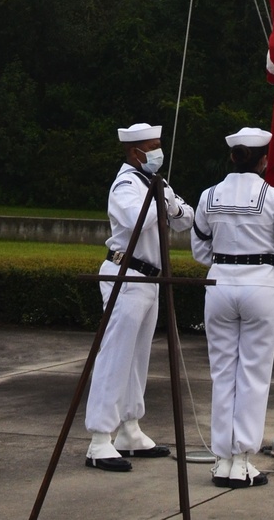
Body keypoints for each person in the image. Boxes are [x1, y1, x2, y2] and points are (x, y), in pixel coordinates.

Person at [191, 126, 274, 489]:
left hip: (219, 283)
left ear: (232, 156)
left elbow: (199, 249)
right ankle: (241, 460)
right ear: (264, 160)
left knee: (223, 372)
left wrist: (224, 262)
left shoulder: (209, 196)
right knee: (253, 373)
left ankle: (222, 458)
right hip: (260, 285)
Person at [84, 123, 194, 472]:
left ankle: (129, 428)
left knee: (137, 357)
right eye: (153, 146)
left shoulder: (153, 184)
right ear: (136, 153)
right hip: (126, 275)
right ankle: (100, 438)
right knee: (115, 356)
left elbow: (185, 218)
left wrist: (169, 204)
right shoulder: (126, 184)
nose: (158, 152)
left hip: (148, 279)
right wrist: (167, 204)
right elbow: (137, 219)